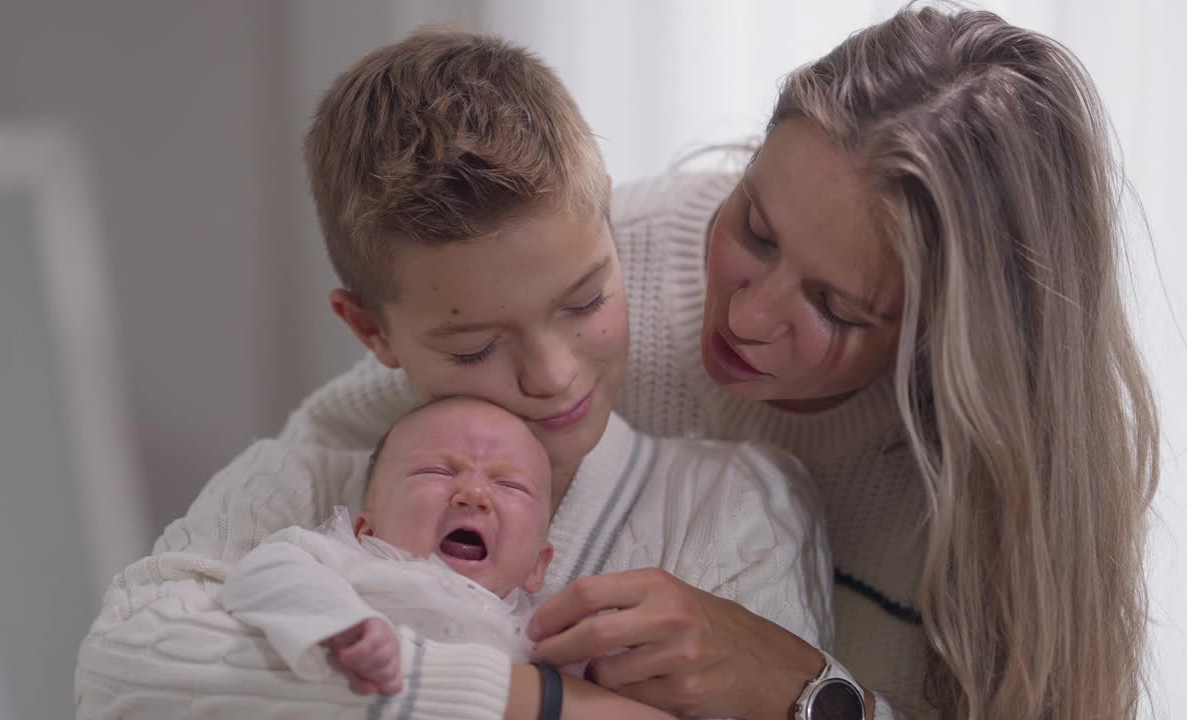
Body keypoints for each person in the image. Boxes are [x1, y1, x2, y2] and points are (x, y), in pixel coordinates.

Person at [206, 6, 1158, 720]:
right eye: (752, 226)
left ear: (943, 339)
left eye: (834, 308)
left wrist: (805, 694)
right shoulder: (596, 270)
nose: (743, 313)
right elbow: (162, 628)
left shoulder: (1001, 477)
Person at [74, 28, 831, 720]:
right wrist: (541, 703)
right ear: (372, 331)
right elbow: (118, 671)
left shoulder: (730, 510)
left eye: (586, 300)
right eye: (474, 348)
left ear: (612, 230)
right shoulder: (299, 491)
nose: (553, 374)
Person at [219, 397, 557, 693]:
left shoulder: (538, 634)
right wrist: (342, 622)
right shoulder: (346, 564)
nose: (474, 494)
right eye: (437, 471)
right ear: (367, 530)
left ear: (538, 567)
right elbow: (262, 570)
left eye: (509, 485)